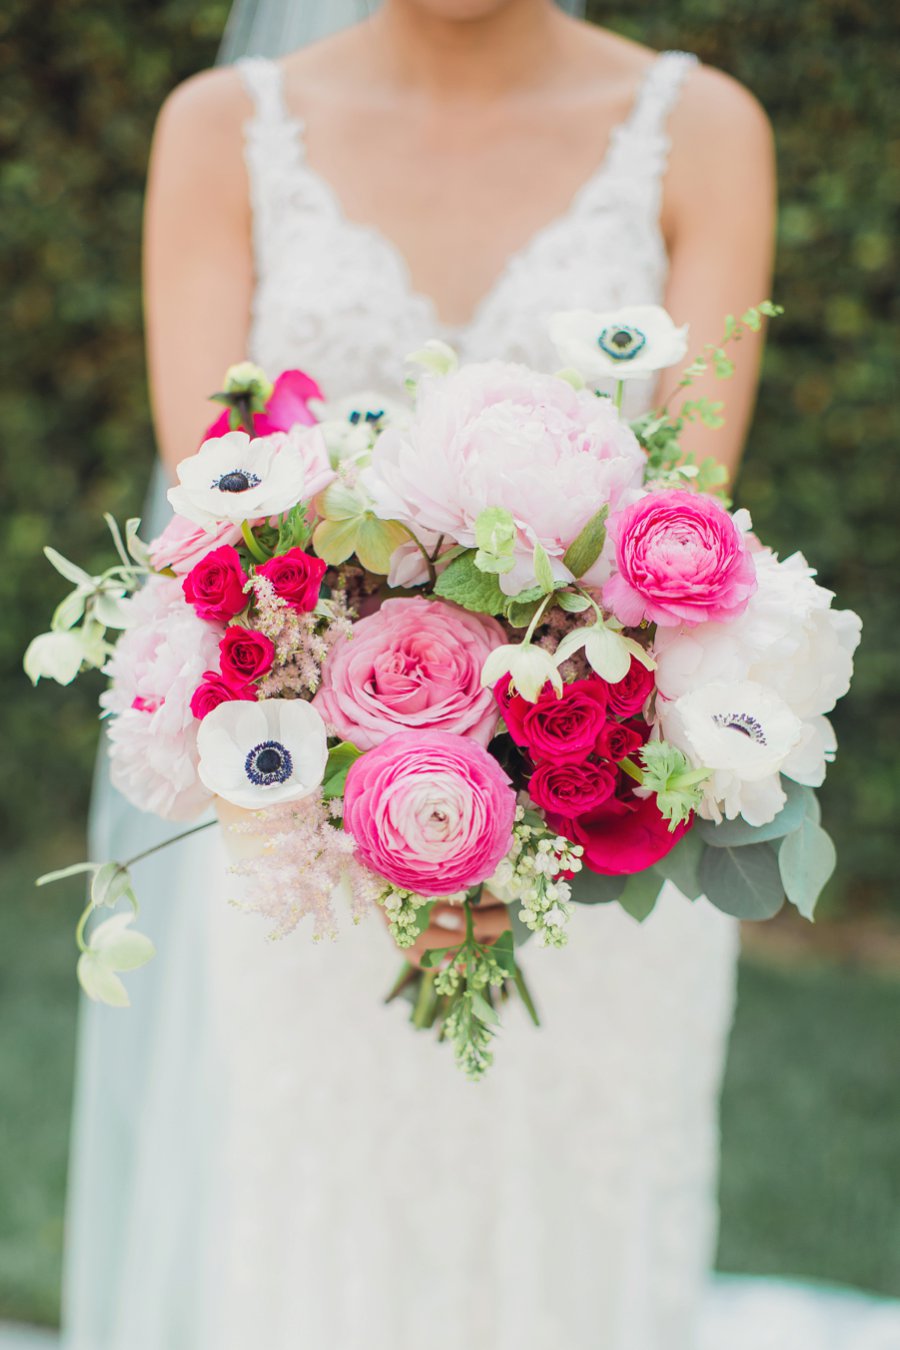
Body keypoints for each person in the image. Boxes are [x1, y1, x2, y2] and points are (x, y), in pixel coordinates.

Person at [62, 2, 827, 1348]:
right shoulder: (221, 132)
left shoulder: (701, 133)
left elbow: (681, 539)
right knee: (325, 1245)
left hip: (597, 839)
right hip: (313, 849)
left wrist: (521, 814)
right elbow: (222, 545)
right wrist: (381, 813)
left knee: (581, 1240)